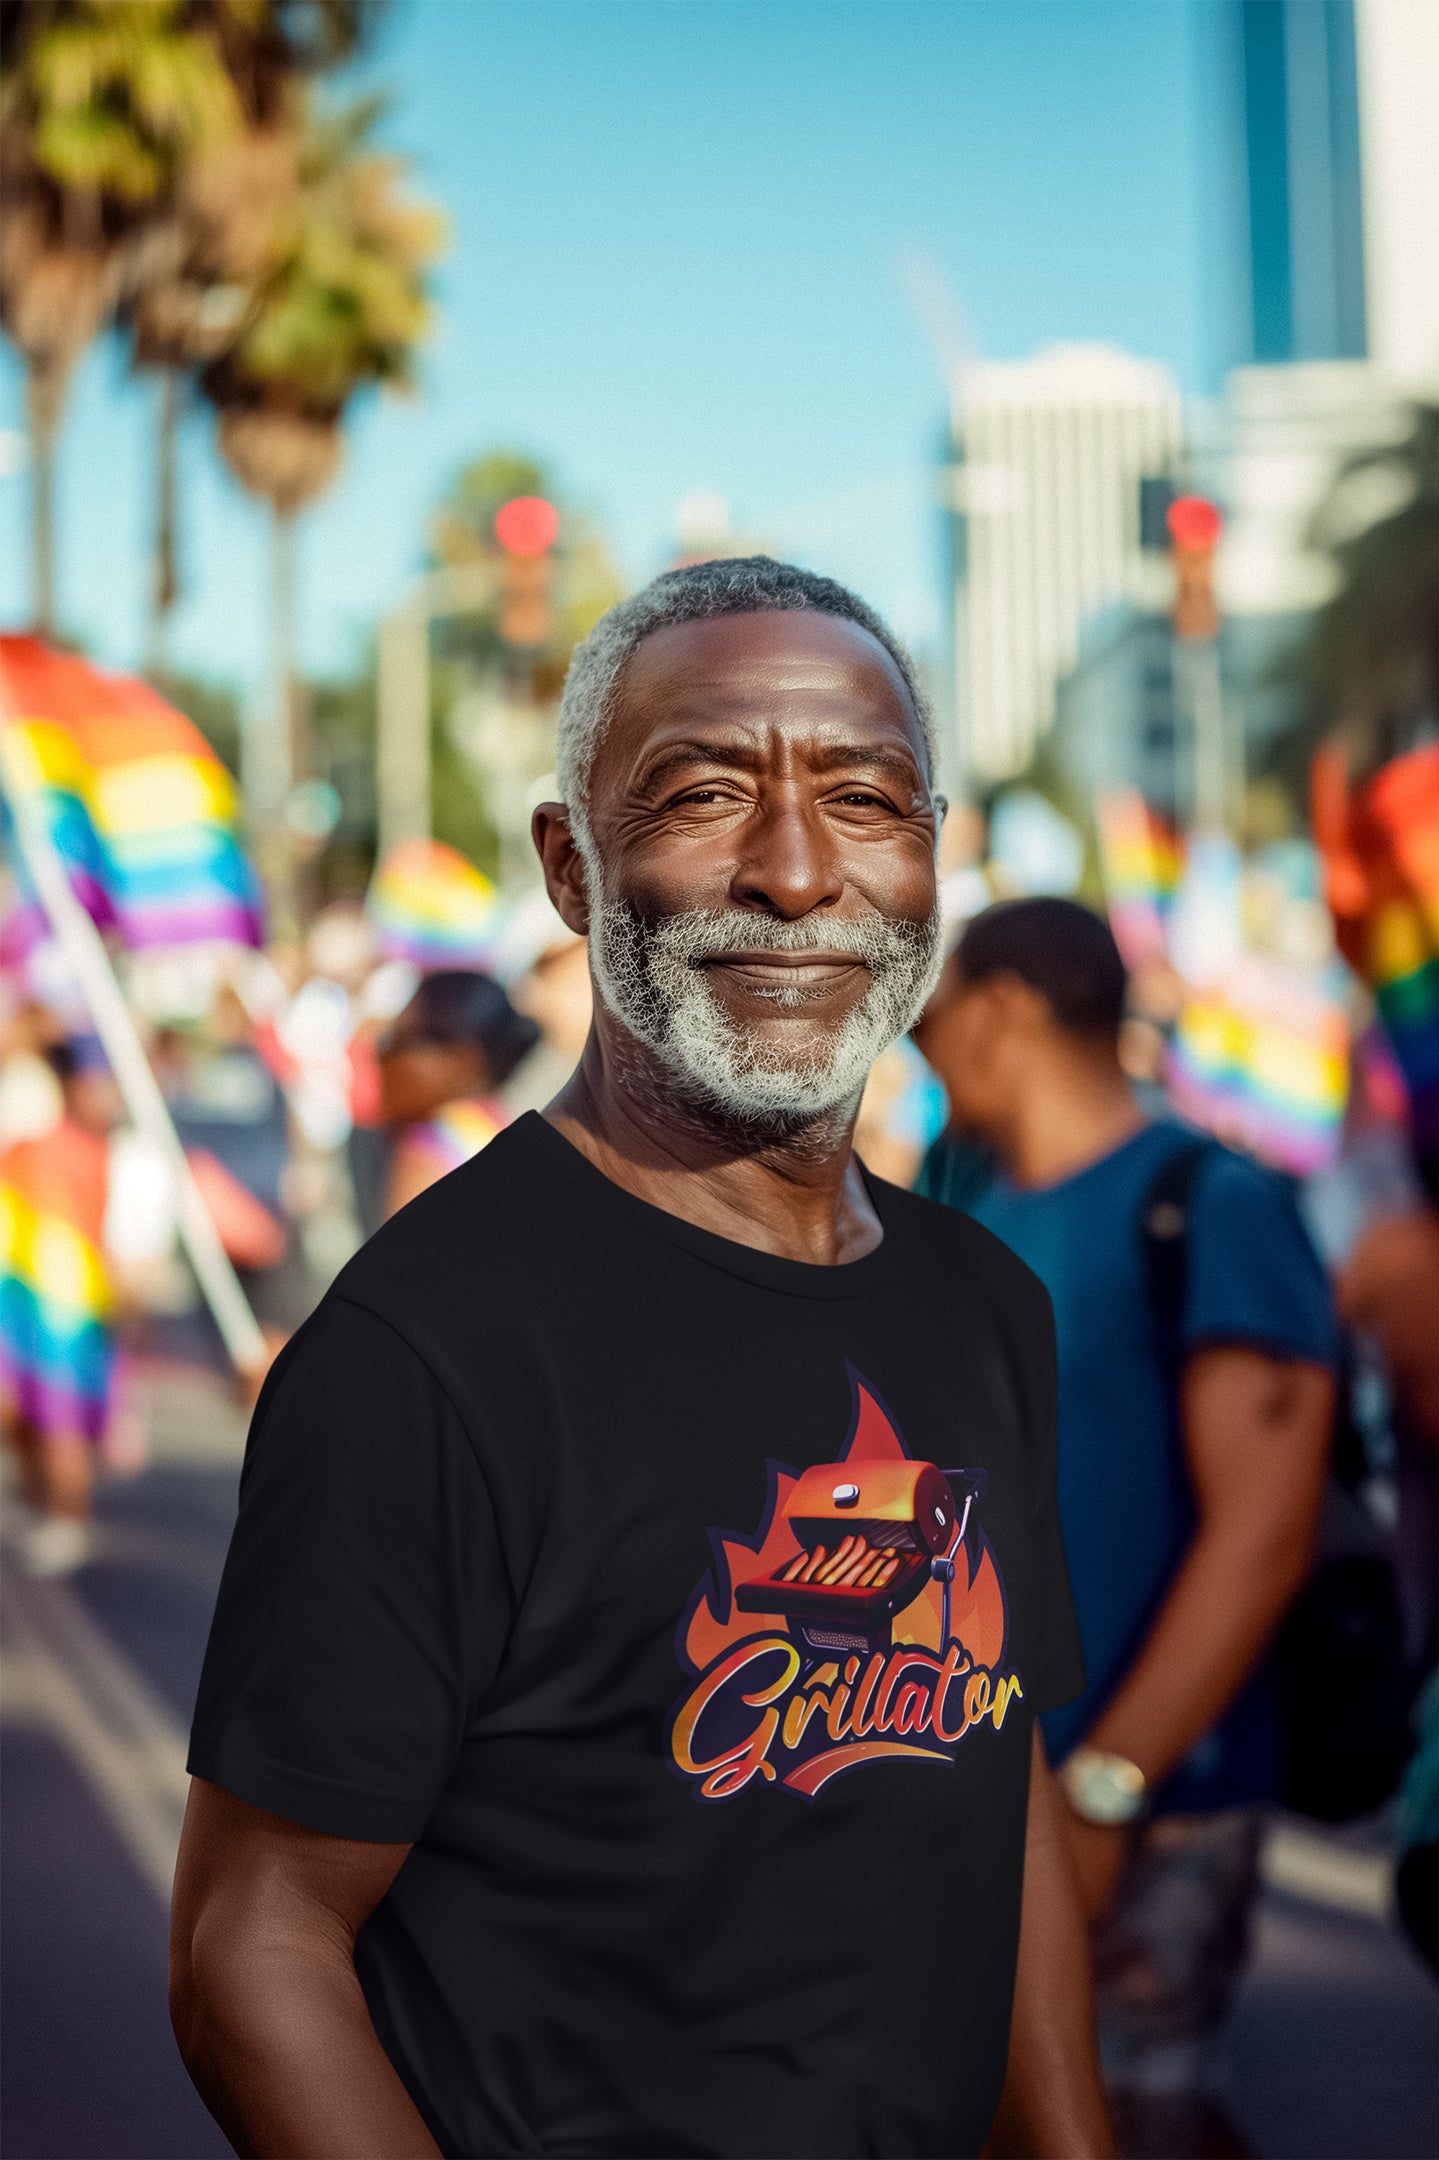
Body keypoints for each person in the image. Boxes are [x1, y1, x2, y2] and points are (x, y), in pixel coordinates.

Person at [171, 558, 1112, 2160]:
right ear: (570, 863)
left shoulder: (981, 1304)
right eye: (702, 795)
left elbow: (994, 1771)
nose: (801, 872)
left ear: (933, 857)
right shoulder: (427, 1351)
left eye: (868, 801)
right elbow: (250, 1947)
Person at [913, 896, 1336, 2156]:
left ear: (1002, 1011)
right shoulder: (954, 1194)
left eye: (932, 1018)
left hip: (1158, 1793)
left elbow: (1264, 1534)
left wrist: (1102, 1794)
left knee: (1131, 2114)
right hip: (976, 1783)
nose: (917, 1048)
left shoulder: (1207, 1202)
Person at [0, 1033, 123, 1574]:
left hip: (68, 1306)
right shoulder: (37, 1144)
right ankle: (41, 1507)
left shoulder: (88, 1150)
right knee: (28, 1414)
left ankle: (68, 1519)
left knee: (60, 1417)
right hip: (29, 1294)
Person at [377, 970, 540, 1220]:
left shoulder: (430, 1145)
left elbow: (399, 1259)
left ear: (461, 1058)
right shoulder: (498, 1130)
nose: (383, 1057)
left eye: (400, 1041)